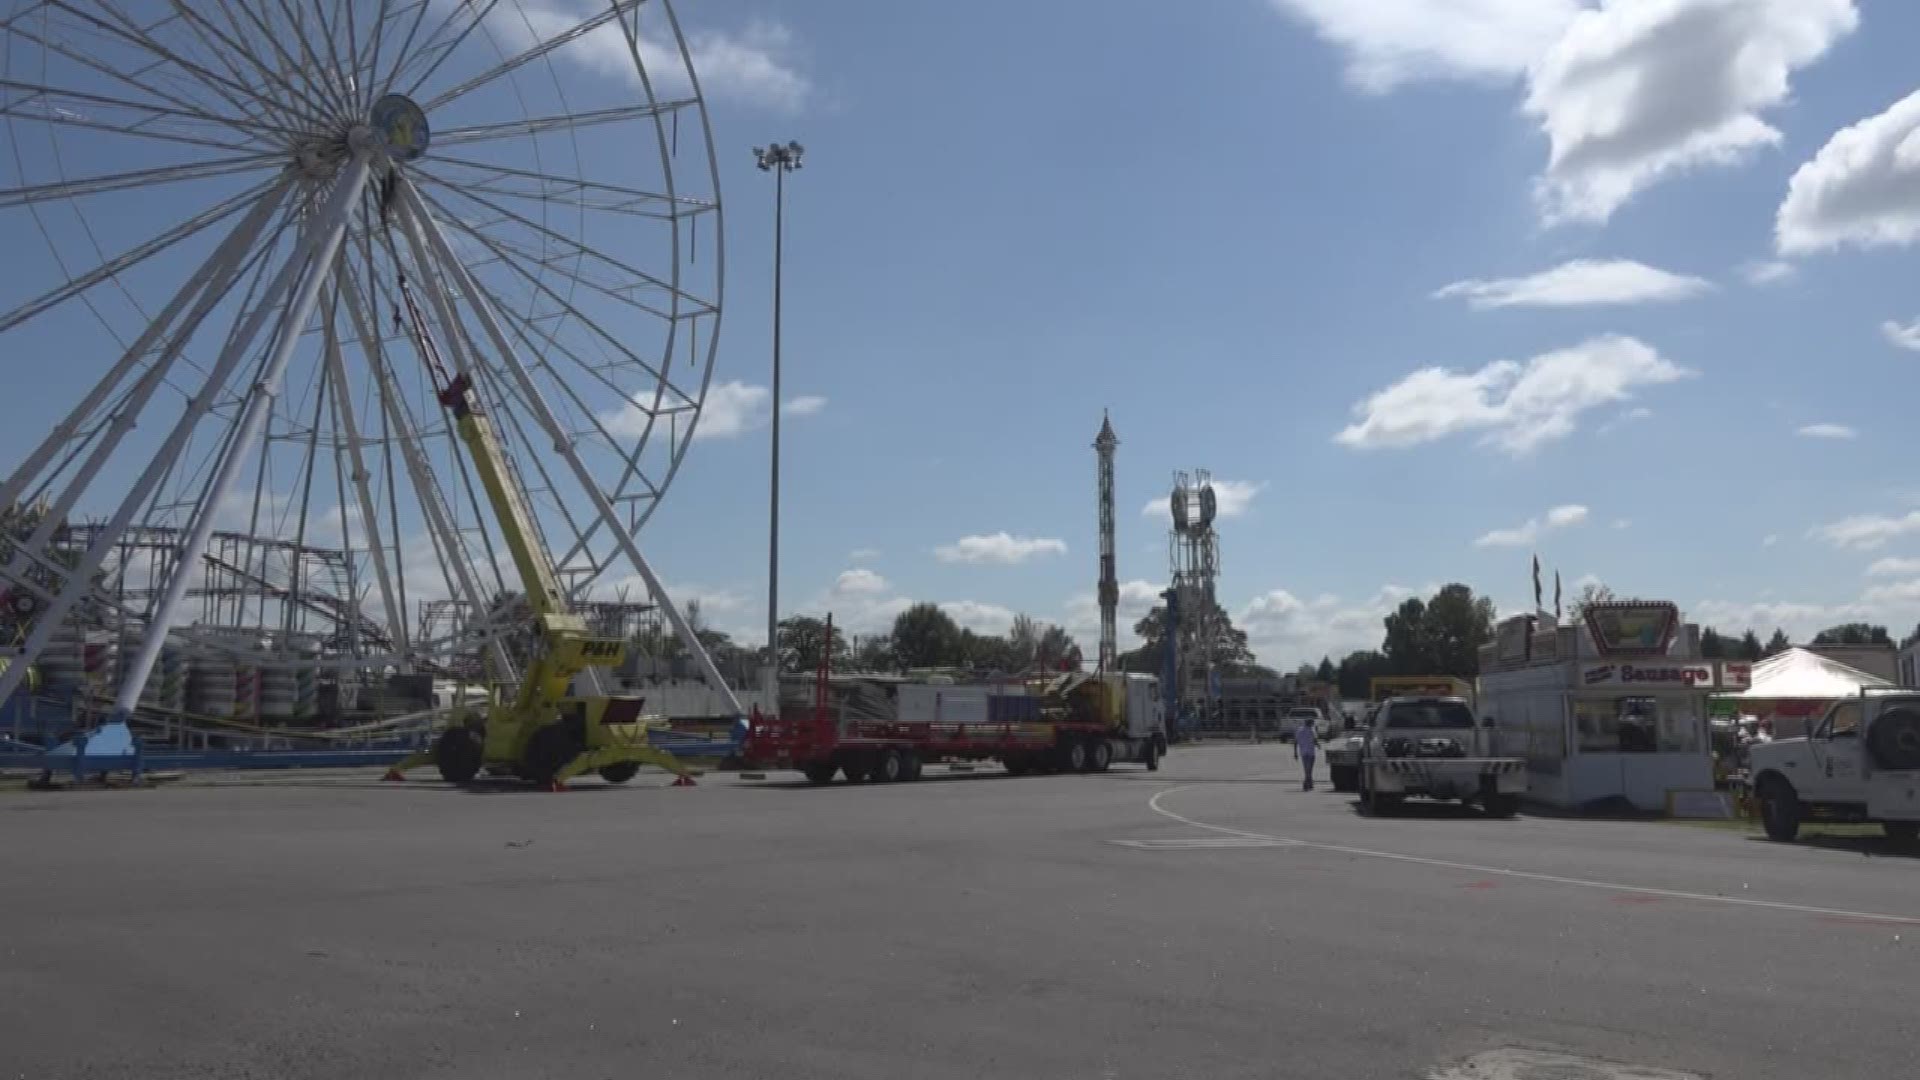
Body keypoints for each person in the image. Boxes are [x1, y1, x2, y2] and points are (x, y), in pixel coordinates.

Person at [1293, 712, 1318, 790]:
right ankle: (1306, 783)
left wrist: (1295, 753)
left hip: (1303, 753)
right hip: (1311, 752)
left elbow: (1295, 742)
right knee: (1309, 769)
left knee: (1307, 769)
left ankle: (1310, 784)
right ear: (1310, 723)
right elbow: (1315, 740)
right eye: (1312, 723)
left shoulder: (1299, 730)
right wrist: (1318, 745)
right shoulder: (1312, 730)